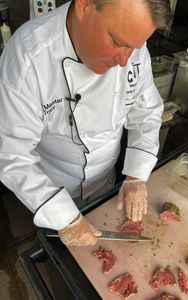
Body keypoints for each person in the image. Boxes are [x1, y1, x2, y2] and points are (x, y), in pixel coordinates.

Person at [0, 0, 171, 247]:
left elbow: (146, 112)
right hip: (51, 191)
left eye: (133, 48)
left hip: (108, 184)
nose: (124, 61)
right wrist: (63, 218)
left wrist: (136, 176)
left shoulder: (133, 51)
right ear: (85, 5)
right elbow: (11, 152)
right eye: (117, 41)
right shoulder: (29, 57)